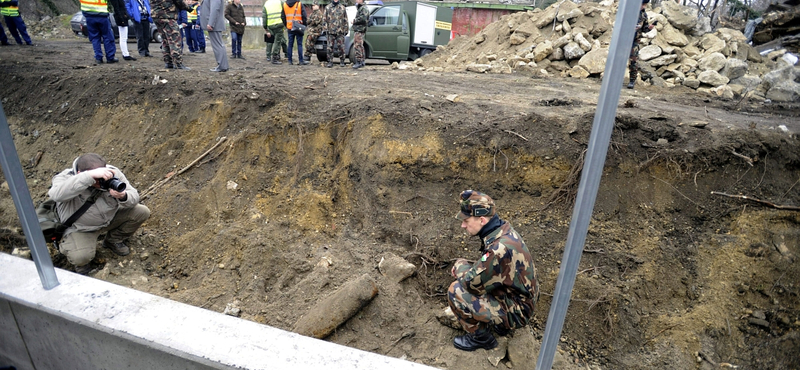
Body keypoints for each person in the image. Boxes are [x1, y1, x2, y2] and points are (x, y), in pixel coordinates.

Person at [447, 190, 539, 351]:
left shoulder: (498, 249)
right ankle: (500, 324)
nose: (463, 225)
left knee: (455, 291)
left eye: (466, 220)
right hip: (520, 298)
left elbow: (471, 284)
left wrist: (460, 266)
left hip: (518, 311)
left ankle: (481, 338)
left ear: (482, 220)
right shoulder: (505, 232)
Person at [48, 153, 150, 275]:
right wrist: (88, 177)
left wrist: (123, 196)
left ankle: (113, 240)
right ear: (81, 173)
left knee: (141, 212)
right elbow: (56, 195)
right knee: (81, 257)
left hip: (108, 218)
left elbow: (134, 197)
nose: (102, 181)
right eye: (98, 178)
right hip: (81, 228)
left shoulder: (111, 173)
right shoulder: (65, 178)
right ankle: (81, 265)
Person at [150, 0, 195, 69]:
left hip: (156, 16)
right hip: (168, 16)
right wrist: (189, 8)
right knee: (175, 40)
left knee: (165, 40)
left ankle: (168, 62)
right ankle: (178, 63)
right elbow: (179, 1)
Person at [627, 0, 654, 89]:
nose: (643, 7)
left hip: (634, 41)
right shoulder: (629, 11)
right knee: (618, 60)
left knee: (634, 60)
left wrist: (649, 28)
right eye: (643, 4)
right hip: (624, 39)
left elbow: (644, 29)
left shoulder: (643, 15)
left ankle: (632, 81)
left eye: (645, 5)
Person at [201, 0, 229, 72]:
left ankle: (222, 66)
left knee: (218, 45)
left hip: (214, 25)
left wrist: (211, 23)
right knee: (218, 45)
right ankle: (223, 65)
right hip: (214, 24)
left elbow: (215, 8)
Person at [281, 0, 307, 65]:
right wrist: (304, 25)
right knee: (299, 44)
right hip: (299, 27)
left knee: (290, 45)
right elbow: (304, 16)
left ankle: (290, 61)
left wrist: (286, 25)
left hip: (290, 27)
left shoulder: (284, 4)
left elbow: (282, 16)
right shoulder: (299, 4)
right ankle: (301, 61)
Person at [323, 0, 347, 68]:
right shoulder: (328, 7)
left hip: (340, 31)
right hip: (331, 31)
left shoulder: (342, 8)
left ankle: (342, 61)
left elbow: (345, 19)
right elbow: (324, 19)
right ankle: (330, 61)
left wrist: (346, 29)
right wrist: (325, 29)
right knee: (330, 47)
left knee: (341, 47)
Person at [262, 0, 284, 65]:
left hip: (270, 25)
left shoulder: (266, 4)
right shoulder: (280, 2)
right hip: (279, 25)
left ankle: (268, 56)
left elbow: (264, 17)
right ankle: (275, 57)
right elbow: (284, 13)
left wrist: (265, 27)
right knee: (277, 42)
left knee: (270, 41)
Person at [351, 0, 368, 69]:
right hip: (359, 29)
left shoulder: (363, 8)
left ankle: (359, 61)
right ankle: (362, 61)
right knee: (360, 45)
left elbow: (363, 18)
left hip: (360, 29)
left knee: (357, 45)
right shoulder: (361, 8)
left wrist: (354, 21)